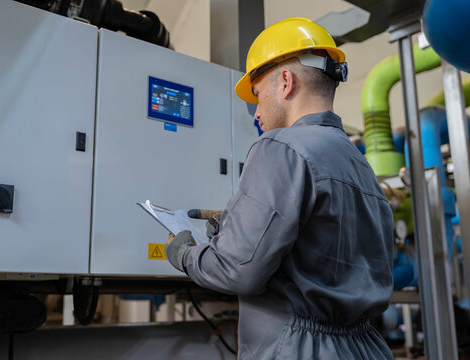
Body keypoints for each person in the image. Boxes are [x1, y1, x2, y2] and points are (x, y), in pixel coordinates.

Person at [166, 17, 394, 359]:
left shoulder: (280, 147)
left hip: (299, 350)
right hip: (366, 347)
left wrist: (185, 253)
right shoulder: (360, 165)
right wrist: (235, 226)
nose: (256, 113)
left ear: (285, 82)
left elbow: (237, 270)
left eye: (257, 95)